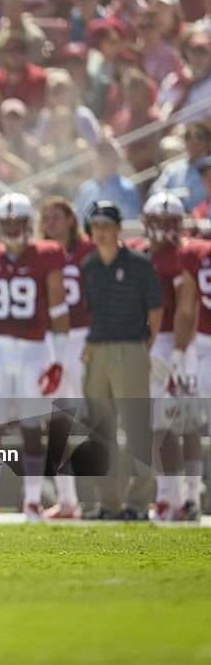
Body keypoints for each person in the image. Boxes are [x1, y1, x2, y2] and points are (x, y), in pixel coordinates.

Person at [0, 193, 69, 521]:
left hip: (34, 349)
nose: (11, 230)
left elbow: (59, 311)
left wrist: (58, 359)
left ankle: (33, 501)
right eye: (6, 224)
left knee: (31, 427)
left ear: (29, 225)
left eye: (17, 223)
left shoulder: (46, 256)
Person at [81, 202, 162, 521]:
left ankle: (138, 504)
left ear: (118, 228)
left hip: (130, 347)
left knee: (137, 429)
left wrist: (143, 346)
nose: (100, 232)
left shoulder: (140, 264)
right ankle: (108, 503)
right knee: (99, 431)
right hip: (98, 349)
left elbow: (154, 311)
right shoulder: (89, 266)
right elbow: (93, 310)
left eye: (105, 226)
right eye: (95, 226)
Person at [132, 193, 196, 521]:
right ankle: (171, 497)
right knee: (155, 424)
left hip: (172, 341)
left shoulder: (182, 257)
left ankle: (176, 498)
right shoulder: (137, 254)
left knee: (167, 423)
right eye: (157, 222)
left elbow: (186, 311)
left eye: (169, 223)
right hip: (145, 342)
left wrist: (178, 355)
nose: (162, 230)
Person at [40, 196, 95, 519]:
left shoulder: (88, 250)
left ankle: (112, 495)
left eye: (56, 217)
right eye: (46, 217)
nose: (51, 223)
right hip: (53, 340)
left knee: (97, 416)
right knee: (57, 420)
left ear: (72, 219)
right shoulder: (40, 254)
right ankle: (68, 499)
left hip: (85, 336)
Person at [172, 231, 211, 520]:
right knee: (190, 422)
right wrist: (178, 351)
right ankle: (193, 497)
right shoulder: (198, 254)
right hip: (202, 347)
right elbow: (186, 309)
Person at [72, 139, 142, 221]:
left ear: (117, 159)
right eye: (101, 153)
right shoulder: (85, 188)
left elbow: (130, 219)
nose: (104, 158)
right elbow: (77, 218)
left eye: (108, 154)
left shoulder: (128, 188)